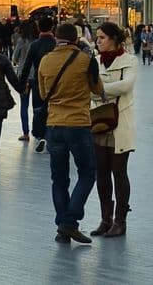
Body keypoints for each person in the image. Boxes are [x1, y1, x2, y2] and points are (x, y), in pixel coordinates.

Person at [38, 22, 105, 245]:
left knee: (59, 179)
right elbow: (97, 89)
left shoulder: (46, 61)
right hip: (78, 124)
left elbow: (42, 92)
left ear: (56, 38)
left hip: (54, 125)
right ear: (76, 39)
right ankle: (71, 218)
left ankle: (62, 226)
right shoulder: (85, 60)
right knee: (87, 172)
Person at [90, 22, 137, 238]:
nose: (98, 41)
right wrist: (104, 91)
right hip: (98, 121)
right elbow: (85, 88)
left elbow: (126, 86)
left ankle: (120, 221)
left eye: (102, 38)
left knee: (119, 172)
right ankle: (105, 219)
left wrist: (99, 90)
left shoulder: (129, 60)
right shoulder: (95, 61)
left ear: (114, 39)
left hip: (120, 122)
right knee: (101, 173)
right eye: (97, 37)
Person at [19, 16, 58, 152]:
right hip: (55, 82)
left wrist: (22, 83)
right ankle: (50, 135)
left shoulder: (34, 45)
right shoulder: (56, 44)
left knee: (38, 109)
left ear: (38, 27)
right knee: (53, 108)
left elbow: (27, 65)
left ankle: (40, 134)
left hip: (38, 81)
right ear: (52, 27)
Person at [12, 20, 35, 142]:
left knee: (24, 106)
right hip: (36, 76)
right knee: (37, 105)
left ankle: (25, 133)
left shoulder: (22, 41)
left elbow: (14, 58)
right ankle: (38, 132)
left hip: (24, 77)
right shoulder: (36, 42)